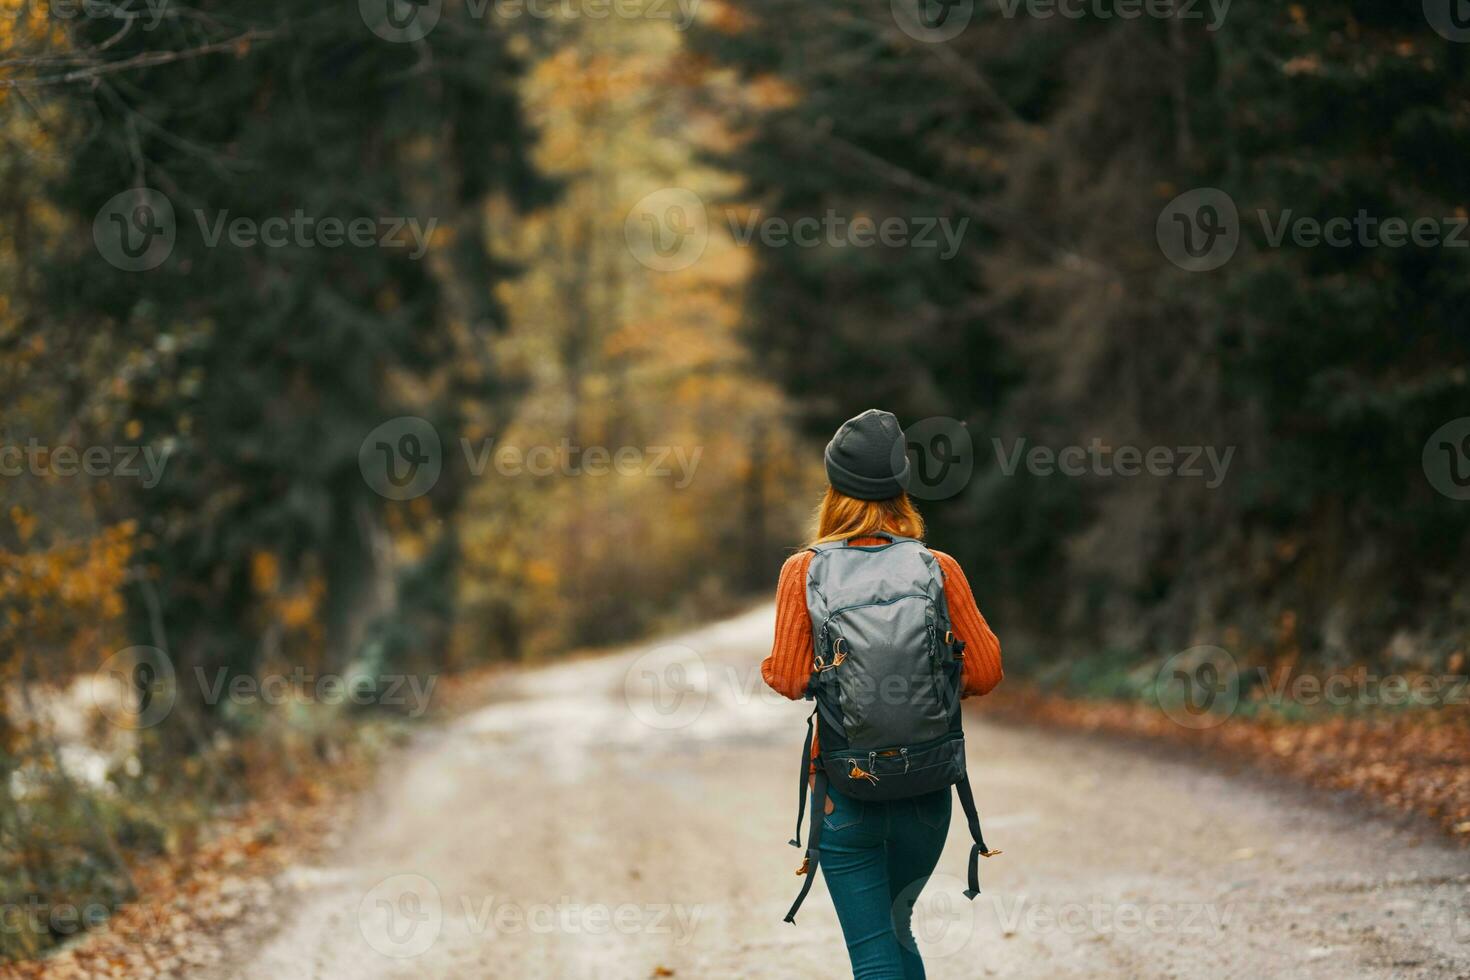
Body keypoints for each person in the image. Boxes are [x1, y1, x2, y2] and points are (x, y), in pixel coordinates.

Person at [762, 409, 1003, 980]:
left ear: (834, 491)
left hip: (846, 794)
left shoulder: (804, 572)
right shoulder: (936, 567)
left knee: (875, 955)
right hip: (927, 790)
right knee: (900, 930)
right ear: (901, 492)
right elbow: (987, 671)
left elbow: (790, 678)